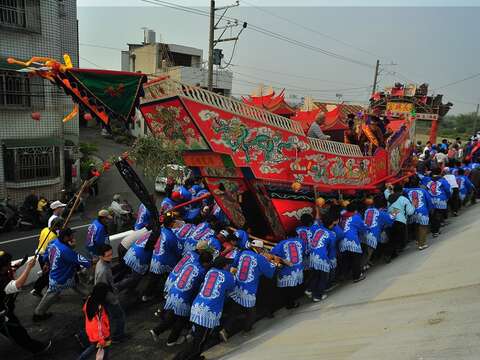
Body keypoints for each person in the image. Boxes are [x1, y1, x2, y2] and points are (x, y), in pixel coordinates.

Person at [149, 251, 213, 347]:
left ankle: (156, 331)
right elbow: (197, 288)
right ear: (206, 263)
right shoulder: (202, 272)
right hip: (183, 297)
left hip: (173, 292)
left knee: (173, 315)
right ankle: (172, 340)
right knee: (182, 319)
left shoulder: (191, 264)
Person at [220, 240, 276, 338]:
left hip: (237, 285)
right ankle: (247, 329)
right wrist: (274, 263)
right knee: (251, 313)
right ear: (258, 248)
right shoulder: (259, 258)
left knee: (234, 310)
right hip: (248, 289)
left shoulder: (243, 253)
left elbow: (234, 265)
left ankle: (225, 330)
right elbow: (269, 273)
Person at [182, 256, 235, 357]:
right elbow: (232, 286)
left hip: (198, 305)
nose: (229, 265)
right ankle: (190, 356)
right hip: (208, 311)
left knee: (198, 335)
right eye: (228, 264)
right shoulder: (228, 276)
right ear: (224, 266)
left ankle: (195, 352)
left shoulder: (211, 271)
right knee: (200, 339)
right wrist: (232, 274)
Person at [34, 228, 91, 321]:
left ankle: (87, 298)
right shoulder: (66, 250)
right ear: (65, 237)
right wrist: (73, 248)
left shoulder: (53, 242)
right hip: (62, 278)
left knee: (78, 286)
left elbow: (46, 254)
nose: (73, 237)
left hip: (62, 274)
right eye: (71, 235)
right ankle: (38, 314)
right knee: (50, 296)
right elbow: (84, 262)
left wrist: (46, 263)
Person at [0, 251, 52, 354]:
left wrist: (19, 264)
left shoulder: (3, 272)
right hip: (2, 314)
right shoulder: (1, 281)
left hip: (5, 308)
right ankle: (37, 349)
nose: (10, 265)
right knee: (18, 332)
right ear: (2, 267)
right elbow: (17, 285)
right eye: (8, 264)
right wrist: (28, 267)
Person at [95, 244, 126, 342]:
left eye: (111, 254)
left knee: (112, 316)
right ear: (101, 256)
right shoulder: (103, 271)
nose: (111, 257)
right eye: (108, 256)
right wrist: (114, 299)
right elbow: (104, 289)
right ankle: (118, 337)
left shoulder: (102, 263)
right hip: (108, 297)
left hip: (107, 295)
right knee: (119, 316)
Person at [305, 214, 337, 302]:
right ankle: (317, 296)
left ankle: (310, 290)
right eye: (333, 225)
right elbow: (331, 248)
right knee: (323, 277)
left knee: (316, 275)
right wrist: (330, 261)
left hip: (312, 255)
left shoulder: (317, 229)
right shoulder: (331, 234)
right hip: (322, 257)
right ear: (330, 224)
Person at [31, 218, 64, 298]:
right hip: (46, 258)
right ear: (56, 227)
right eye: (61, 226)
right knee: (49, 275)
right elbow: (51, 251)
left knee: (47, 275)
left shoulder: (45, 229)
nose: (62, 228)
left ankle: (42, 290)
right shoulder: (53, 237)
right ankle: (38, 290)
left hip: (40, 255)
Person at [78, 283, 111, 360]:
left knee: (93, 347)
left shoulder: (90, 299)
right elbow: (98, 325)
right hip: (101, 335)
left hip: (92, 333)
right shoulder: (99, 308)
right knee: (103, 350)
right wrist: (102, 339)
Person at [270, 235, 305, 308]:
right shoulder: (300, 241)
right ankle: (292, 302)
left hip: (286, 269)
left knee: (286, 289)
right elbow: (304, 252)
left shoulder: (282, 243)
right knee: (293, 287)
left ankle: (289, 303)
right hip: (297, 268)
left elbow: (272, 253)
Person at [338, 202, 368, 282]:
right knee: (356, 258)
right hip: (352, 240)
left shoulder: (342, 216)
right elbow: (363, 228)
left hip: (342, 240)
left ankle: (343, 275)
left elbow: (342, 212)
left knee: (346, 259)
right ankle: (356, 276)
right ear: (355, 210)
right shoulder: (356, 217)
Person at [362, 195, 394, 268]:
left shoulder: (368, 210)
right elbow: (391, 220)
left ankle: (367, 263)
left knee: (364, 251)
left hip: (364, 233)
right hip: (373, 236)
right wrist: (395, 212)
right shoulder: (381, 213)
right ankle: (361, 269)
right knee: (367, 253)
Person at [384, 184, 415, 260]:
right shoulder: (404, 199)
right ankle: (388, 254)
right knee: (398, 238)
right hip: (400, 221)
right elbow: (410, 212)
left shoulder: (389, 197)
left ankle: (392, 254)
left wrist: (389, 187)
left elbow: (386, 192)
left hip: (390, 220)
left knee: (392, 238)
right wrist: (413, 205)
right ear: (402, 191)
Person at [404, 176, 433, 250]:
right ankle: (422, 244)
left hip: (413, 211)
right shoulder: (423, 191)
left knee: (416, 226)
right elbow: (429, 201)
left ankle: (417, 240)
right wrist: (430, 209)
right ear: (418, 183)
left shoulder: (407, 191)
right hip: (423, 211)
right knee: (423, 227)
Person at [422, 168, 451, 236]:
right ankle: (436, 231)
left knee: (433, 215)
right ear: (440, 172)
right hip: (440, 200)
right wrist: (448, 196)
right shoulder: (442, 180)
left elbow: (421, 178)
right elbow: (447, 189)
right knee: (438, 215)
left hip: (430, 200)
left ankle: (434, 230)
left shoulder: (427, 179)